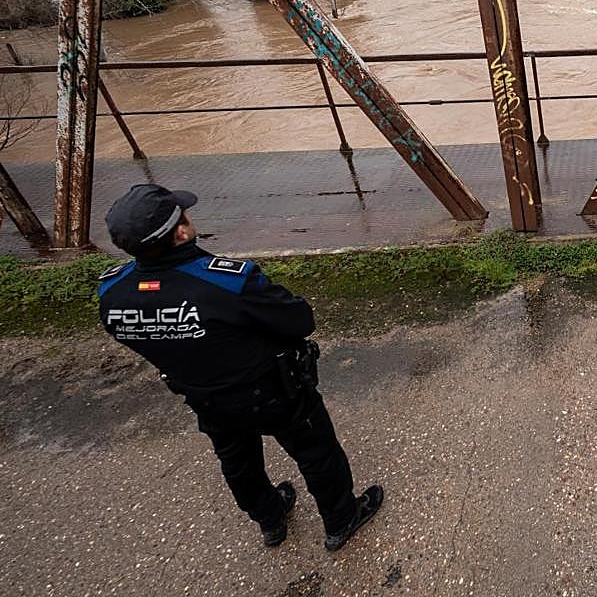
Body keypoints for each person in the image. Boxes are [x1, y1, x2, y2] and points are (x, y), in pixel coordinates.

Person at [98, 184, 383, 550]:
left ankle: (270, 519)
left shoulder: (112, 293)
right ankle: (342, 519)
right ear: (181, 231)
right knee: (316, 452)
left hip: (206, 398)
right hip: (274, 392)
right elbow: (299, 320)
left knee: (238, 463)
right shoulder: (225, 282)